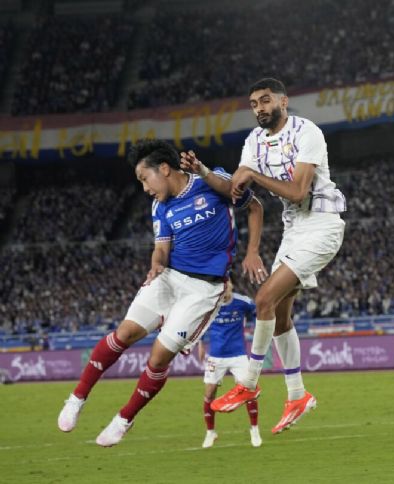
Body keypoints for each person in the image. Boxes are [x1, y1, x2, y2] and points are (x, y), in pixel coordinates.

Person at [56, 139, 262, 446]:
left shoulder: (210, 181)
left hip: (203, 288)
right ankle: (77, 397)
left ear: (164, 169)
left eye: (144, 178)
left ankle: (124, 418)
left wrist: (252, 251)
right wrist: (155, 265)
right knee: (123, 334)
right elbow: (161, 249)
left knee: (159, 356)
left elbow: (248, 201)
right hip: (168, 277)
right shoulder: (160, 206)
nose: (144, 188)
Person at [183, 77, 346, 434]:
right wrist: (204, 172)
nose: (260, 108)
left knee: (264, 299)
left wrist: (253, 174)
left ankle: (250, 383)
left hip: (321, 224)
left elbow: (299, 190)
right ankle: (297, 395)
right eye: (254, 103)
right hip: (293, 230)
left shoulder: (308, 133)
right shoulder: (254, 141)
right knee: (280, 316)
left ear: (283, 102)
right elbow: (236, 188)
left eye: (265, 100)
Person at [197, 277, 261, 448]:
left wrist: (257, 330)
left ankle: (254, 429)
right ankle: (211, 432)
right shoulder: (211, 304)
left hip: (238, 355)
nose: (224, 290)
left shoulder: (243, 302)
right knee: (209, 394)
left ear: (231, 286)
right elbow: (201, 323)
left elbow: (259, 313)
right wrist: (200, 344)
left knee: (249, 390)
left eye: (227, 286)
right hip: (216, 356)